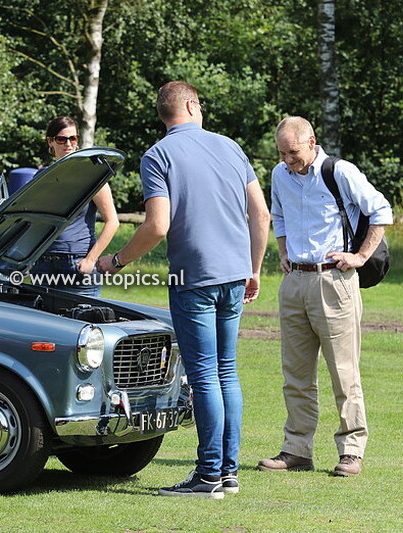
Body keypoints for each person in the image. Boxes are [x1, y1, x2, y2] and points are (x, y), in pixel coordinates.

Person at [97, 81, 271, 498]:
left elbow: (157, 226)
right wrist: (254, 269)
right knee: (226, 372)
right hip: (234, 275)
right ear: (192, 106)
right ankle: (227, 472)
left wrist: (116, 261)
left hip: (195, 278)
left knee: (204, 376)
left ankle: (209, 474)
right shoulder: (231, 147)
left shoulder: (158, 155)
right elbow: (260, 215)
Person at [259, 116, 393, 477]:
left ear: (312, 141)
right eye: (283, 153)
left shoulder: (339, 170)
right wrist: (283, 252)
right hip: (295, 282)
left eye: (294, 152)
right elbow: (280, 217)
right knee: (295, 375)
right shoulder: (278, 174)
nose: (288, 159)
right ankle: (296, 450)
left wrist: (360, 257)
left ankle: (351, 451)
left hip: (335, 281)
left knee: (344, 373)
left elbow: (381, 210)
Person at [28, 116, 119, 296]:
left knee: (84, 322)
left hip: (78, 265)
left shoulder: (92, 176)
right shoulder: (40, 178)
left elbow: (113, 222)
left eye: (73, 138)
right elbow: (33, 221)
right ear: (50, 142)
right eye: (62, 139)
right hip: (43, 265)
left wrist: (90, 260)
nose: (68, 144)